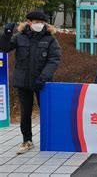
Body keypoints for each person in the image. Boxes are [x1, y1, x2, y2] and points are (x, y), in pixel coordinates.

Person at [0, 12, 61, 154]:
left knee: (46, 111)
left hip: (42, 82)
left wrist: (43, 77)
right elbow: (3, 48)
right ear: (29, 22)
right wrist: (6, 35)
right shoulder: (19, 37)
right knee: (25, 112)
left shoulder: (50, 39)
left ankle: (50, 139)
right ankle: (27, 140)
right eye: (36, 21)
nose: (39, 24)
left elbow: (54, 59)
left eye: (42, 21)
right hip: (23, 81)